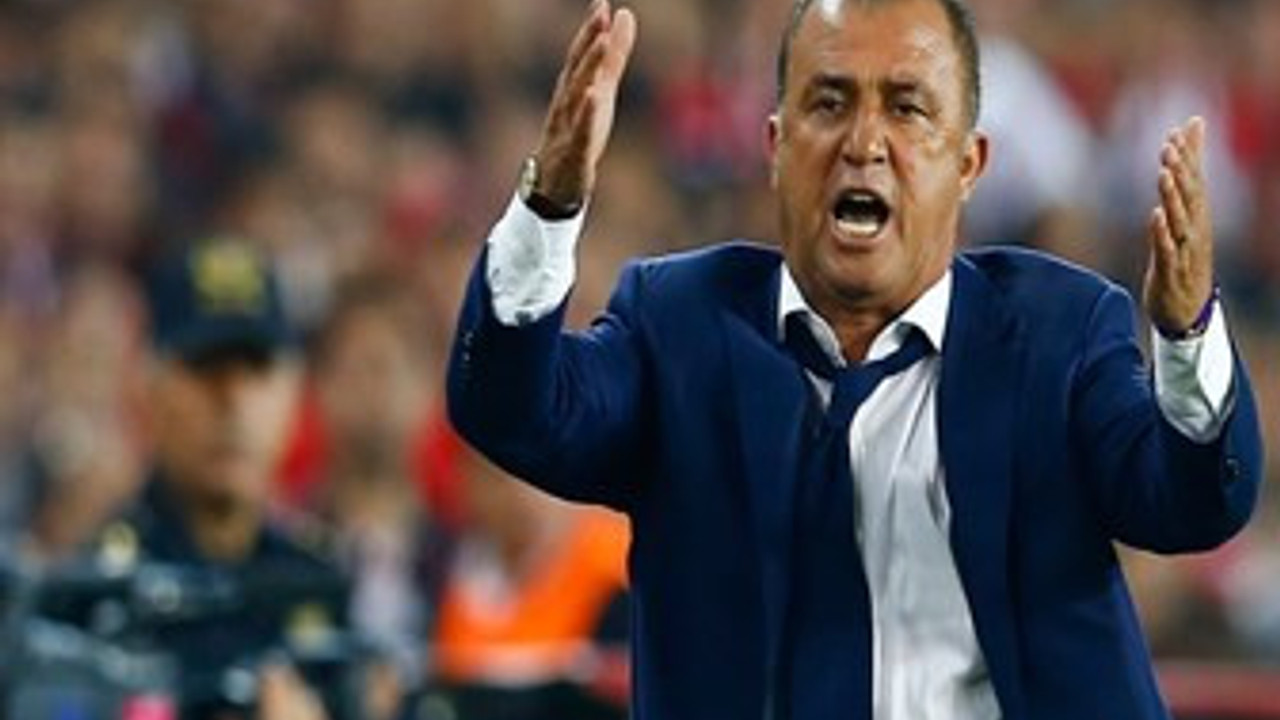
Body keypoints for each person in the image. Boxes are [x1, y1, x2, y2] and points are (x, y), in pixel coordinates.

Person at [446, 1, 1264, 719]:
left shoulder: (1060, 333)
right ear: (775, 145)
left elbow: (1191, 502)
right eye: (830, 102)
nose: (864, 142)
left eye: (906, 108)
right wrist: (548, 207)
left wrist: (1187, 333)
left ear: (968, 164)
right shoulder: (679, 326)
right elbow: (511, 409)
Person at [95, 238, 341, 720]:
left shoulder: (317, 583)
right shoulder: (104, 590)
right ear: (149, 389)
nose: (234, 404)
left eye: (257, 371)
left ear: (294, 395)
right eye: (207, 371)